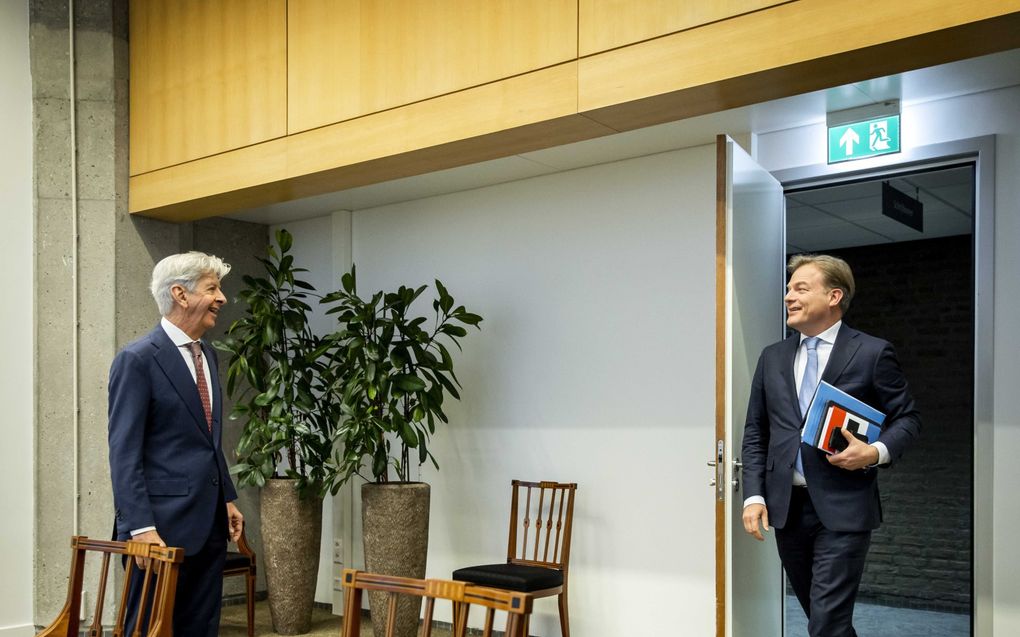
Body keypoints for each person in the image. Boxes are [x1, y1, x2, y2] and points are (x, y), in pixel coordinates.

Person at [741, 254, 921, 637]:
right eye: (789, 289)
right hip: (787, 510)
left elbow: (908, 419)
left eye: (801, 288)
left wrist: (875, 452)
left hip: (844, 510)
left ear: (834, 296)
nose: (789, 296)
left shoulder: (872, 352)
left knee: (826, 623)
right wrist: (753, 496)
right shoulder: (772, 357)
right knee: (823, 620)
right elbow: (757, 431)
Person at [108, 251, 244, 636]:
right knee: (149, 629)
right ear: (181, 294)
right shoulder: (136, 359)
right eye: (213, 288)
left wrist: (227, 498)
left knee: (200, 628)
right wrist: (140, 528)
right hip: (159, 532)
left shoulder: (209, 356)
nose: (222, 298)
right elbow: (124, 452)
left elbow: (205, 440)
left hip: (209, 525)